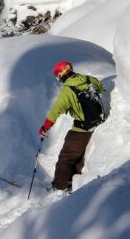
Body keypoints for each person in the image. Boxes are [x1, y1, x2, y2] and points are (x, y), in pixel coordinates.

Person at [38, 61, 106, 192]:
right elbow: (101, 87)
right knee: (78, 155)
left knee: (65, 158)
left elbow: (55, 111)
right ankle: (73, 181)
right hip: (97, 123)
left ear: (60, 76)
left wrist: (45, 127)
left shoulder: (68, 91)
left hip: (82, 129)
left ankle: (58, 187)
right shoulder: (88, 79)